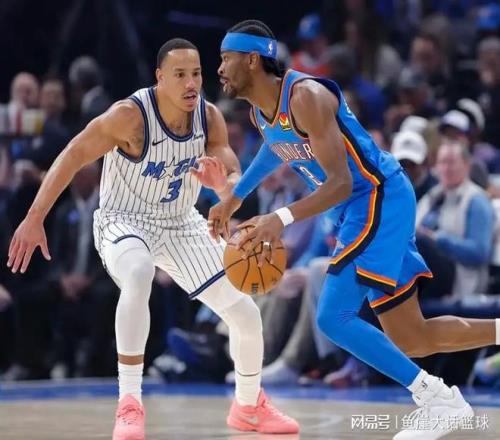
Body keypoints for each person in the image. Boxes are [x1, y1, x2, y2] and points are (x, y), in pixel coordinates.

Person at [213, 20, 500, 439]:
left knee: (333, 316)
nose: (219, 68)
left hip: (377, 196)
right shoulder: (262, 112)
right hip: (362, 207)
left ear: (253, 60)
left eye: (226, 58)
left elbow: (341, 184)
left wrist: (281, 218)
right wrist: (235, 197)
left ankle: (438, 400)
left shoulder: (306, 97)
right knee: (412, 337)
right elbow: (275, 149)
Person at [6, 38, 298, 439]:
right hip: (124, 220)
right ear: (160, 77)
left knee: (246, 314)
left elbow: (231, 174)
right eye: (180, 75)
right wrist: (34, 216)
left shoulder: (208, 117)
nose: (191, 83)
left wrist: (224, 185)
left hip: (181, 223)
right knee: (140, 271)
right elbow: (74, 153)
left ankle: (248, 406)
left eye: (196, 73)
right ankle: (129, 403)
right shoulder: (130, 116)